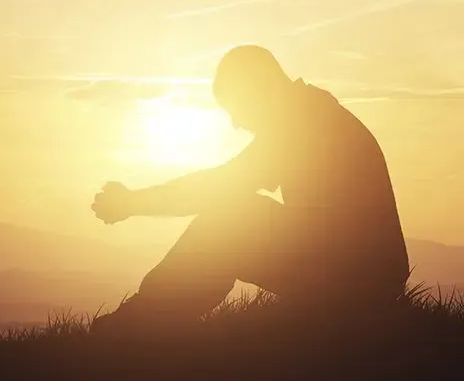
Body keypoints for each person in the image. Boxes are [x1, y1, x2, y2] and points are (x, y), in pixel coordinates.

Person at [90, 44, 410, 333]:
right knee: (234, 213)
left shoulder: (304, 124)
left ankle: (142, 323)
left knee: (229, 218)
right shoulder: (311, 113)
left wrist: (133, 202)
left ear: (257, 92)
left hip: (360, 281)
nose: (236, 124)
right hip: (367, 276)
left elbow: (219, 186)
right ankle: (152, 318)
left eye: (235, 108)